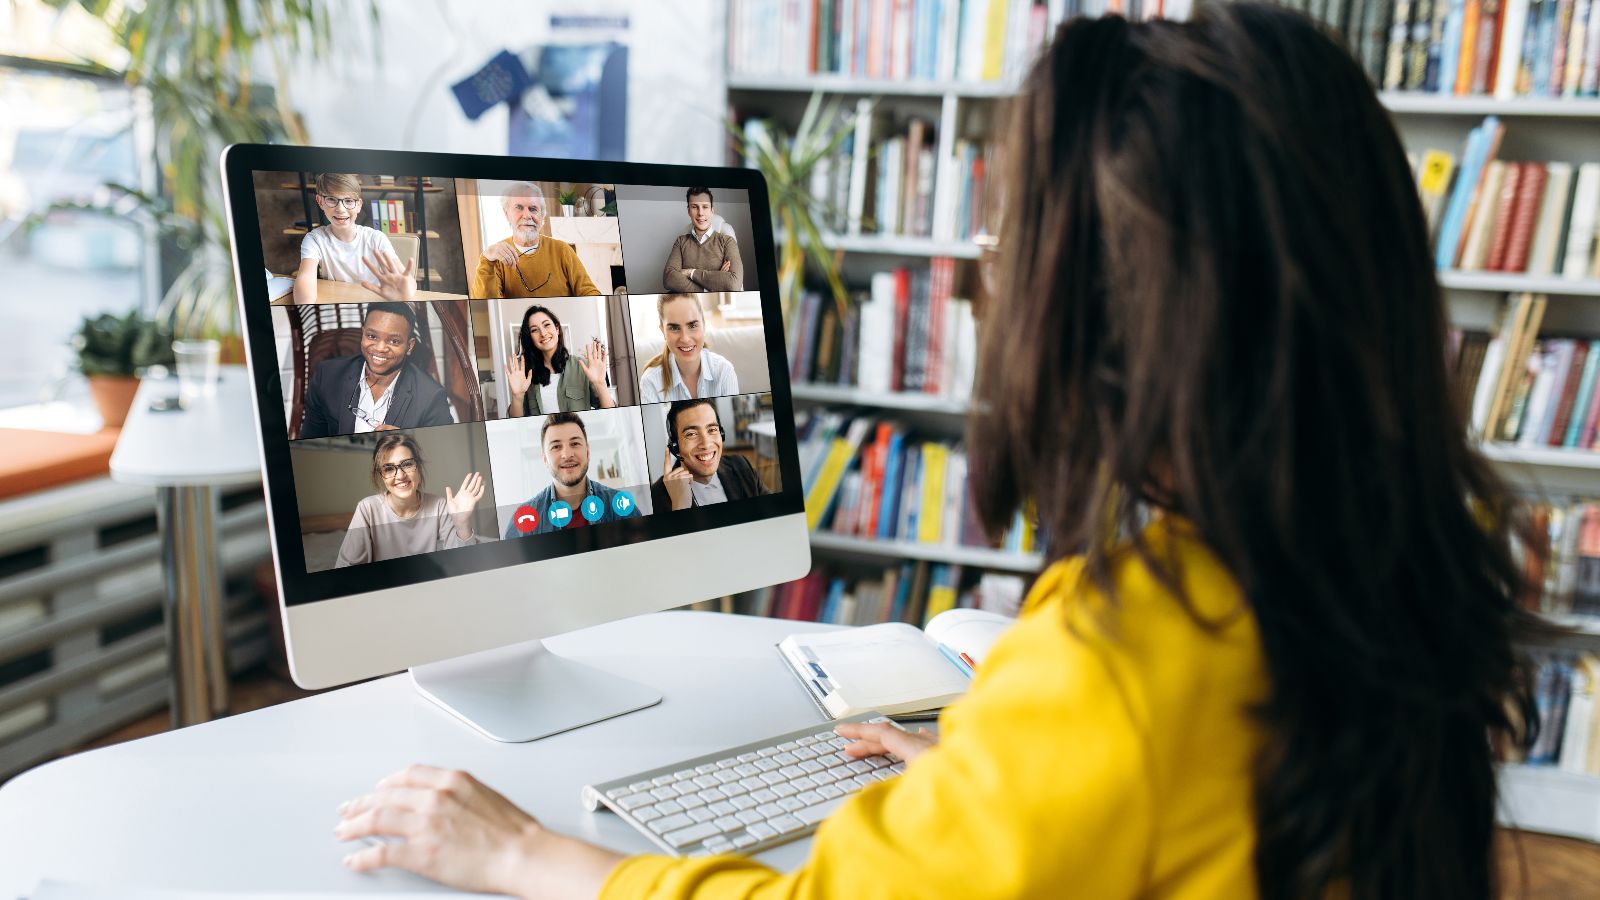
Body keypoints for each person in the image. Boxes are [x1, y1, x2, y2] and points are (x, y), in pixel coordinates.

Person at [333, 7, 1535, 899]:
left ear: (1114, 322)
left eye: (1013, 240)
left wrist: (530, 853)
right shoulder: (1389, 569)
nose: (983, 273)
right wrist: (997, 784)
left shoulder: (1128, 660)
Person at [299, 302, 454, 439]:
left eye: (394, 341)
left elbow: (443, 455)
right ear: (363, 334)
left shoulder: (432, 397)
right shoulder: (327, 376)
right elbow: (308, 440)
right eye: (372, 336)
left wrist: (407, 443)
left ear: (409, 346)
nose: (380, 348)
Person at [334, 434, 487, 567]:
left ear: (419, 468)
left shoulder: (439, 506)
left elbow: (464, 563)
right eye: (388, 468)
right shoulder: (367, 509)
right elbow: (345, 568)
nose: (400, 476)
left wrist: (461, 524)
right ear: (381, 476)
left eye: (407, 464)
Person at [292, 172, 417, 304]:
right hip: (338, 306)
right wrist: (306, 307)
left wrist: (406, 291)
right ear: (320, 201)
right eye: (331, 199)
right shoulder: (315, 239)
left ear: (359, 205)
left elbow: (405, 279)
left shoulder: (376, 238)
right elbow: (305, 278)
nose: (340, 209)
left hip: (373, 306)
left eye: (349, 201)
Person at [500, 412, 631, 538]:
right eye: (556, 446)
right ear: (545, 459)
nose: (567, 455)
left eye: (575, 444)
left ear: (588, 452)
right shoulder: (523, 521)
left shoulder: (621, 506)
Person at [473, 182, 601, 299]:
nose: (527, 215)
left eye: (533, 209)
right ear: (507, 214)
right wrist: (486, 259)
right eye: (519, 207)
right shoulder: (496, 258)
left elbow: (590, 293)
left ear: (542, 215)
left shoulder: (562, 250)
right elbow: (485, 303)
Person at [650, 399, 767, 511]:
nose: (706, 444)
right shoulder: (656, 496)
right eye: (691, 434)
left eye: (712, 429)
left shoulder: (741, 465)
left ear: (721, 434)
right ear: (675, 446)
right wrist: (680, 506)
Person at [504, 304, 616, 416]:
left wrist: (600, 384)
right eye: (534, 330)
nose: (543, 333)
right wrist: (517, 397)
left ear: (557, 329)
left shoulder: (582, 367)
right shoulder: (526, 376)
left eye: (546, 325)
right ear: (530, 338)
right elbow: (517, 423)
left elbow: (611, 416)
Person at [637, 293, 739, 403]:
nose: (685, 338)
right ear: (662, 330)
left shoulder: (724, 371)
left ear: (704, 325)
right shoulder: (651, 381)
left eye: (692, 325)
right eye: (674, 328)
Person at [662, 187, 744, 293]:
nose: (700, 213)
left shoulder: (727, 241)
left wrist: (690, 273)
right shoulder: (681, 242)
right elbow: (669, 279)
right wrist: (712, 285)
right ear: (689, 211)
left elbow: (733, 284)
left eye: (705, 207)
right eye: (694, 207)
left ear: (712, 211)